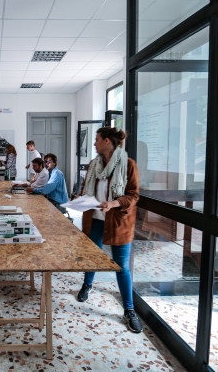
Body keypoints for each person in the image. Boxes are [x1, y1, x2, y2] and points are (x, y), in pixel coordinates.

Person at [76, 127, 142, 334]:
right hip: (94, 219)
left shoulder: (128, 165)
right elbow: (87, 190)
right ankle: (87, 284)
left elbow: (133, 195)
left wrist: (113, 203)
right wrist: (78, 200)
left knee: (121, 266)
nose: (94, 144)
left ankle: (129, 310)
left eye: (96, 140)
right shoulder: (94, 165)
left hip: (118, 222)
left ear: (106, 141)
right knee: (92, 257)